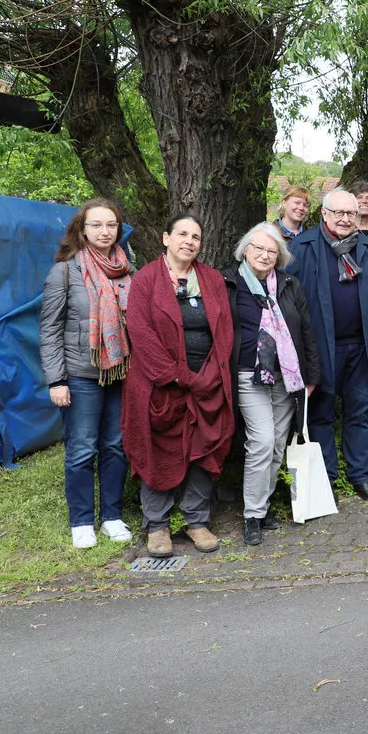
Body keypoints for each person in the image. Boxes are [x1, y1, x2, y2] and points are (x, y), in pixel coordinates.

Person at [122, 213, 234, 558]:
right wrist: (181, 377)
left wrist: (210, 375)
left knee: (205, 450)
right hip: (161, 386)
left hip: (207, 384)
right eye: (182, 234)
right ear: (165, 238)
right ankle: (156, 526)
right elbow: (140, 333)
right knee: (158, 452)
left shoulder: (212, 280)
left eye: (196, 237)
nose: (189, 241)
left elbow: (225, 330)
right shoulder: (145, 280)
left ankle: (195, 520)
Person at [287, 189, 368, 501]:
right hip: (321, 349)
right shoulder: (303, 246)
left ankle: (359, 476)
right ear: (324, 214)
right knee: (320, 414)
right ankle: (328, 481)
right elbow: (288, 301)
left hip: (362, 347)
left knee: (358, 413)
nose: (346, 218)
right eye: (339, 213)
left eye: (351, 213)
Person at [39, 198, 135, 549]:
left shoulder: (128, 271)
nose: (104, 231)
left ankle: (111, 516)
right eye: (96, 224)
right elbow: (50, 329)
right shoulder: (65, 271)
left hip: (121, 373)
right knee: (81, 450)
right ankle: (81, 521)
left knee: (115, 446)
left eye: (111, 225)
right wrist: (56, 380)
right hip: (80, 375)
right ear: (82, 229)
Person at [223, 223, 321, 546]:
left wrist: (312, 374)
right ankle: (252, 515)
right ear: (245, 250)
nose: (265, 255)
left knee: (278, 443)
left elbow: (306, 330)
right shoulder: (228, 283)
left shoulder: (290, 285)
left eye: (271, 250)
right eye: (259, 248)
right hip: (248, 375)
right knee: (262, 441)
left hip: (286, 376)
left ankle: (262, 509)